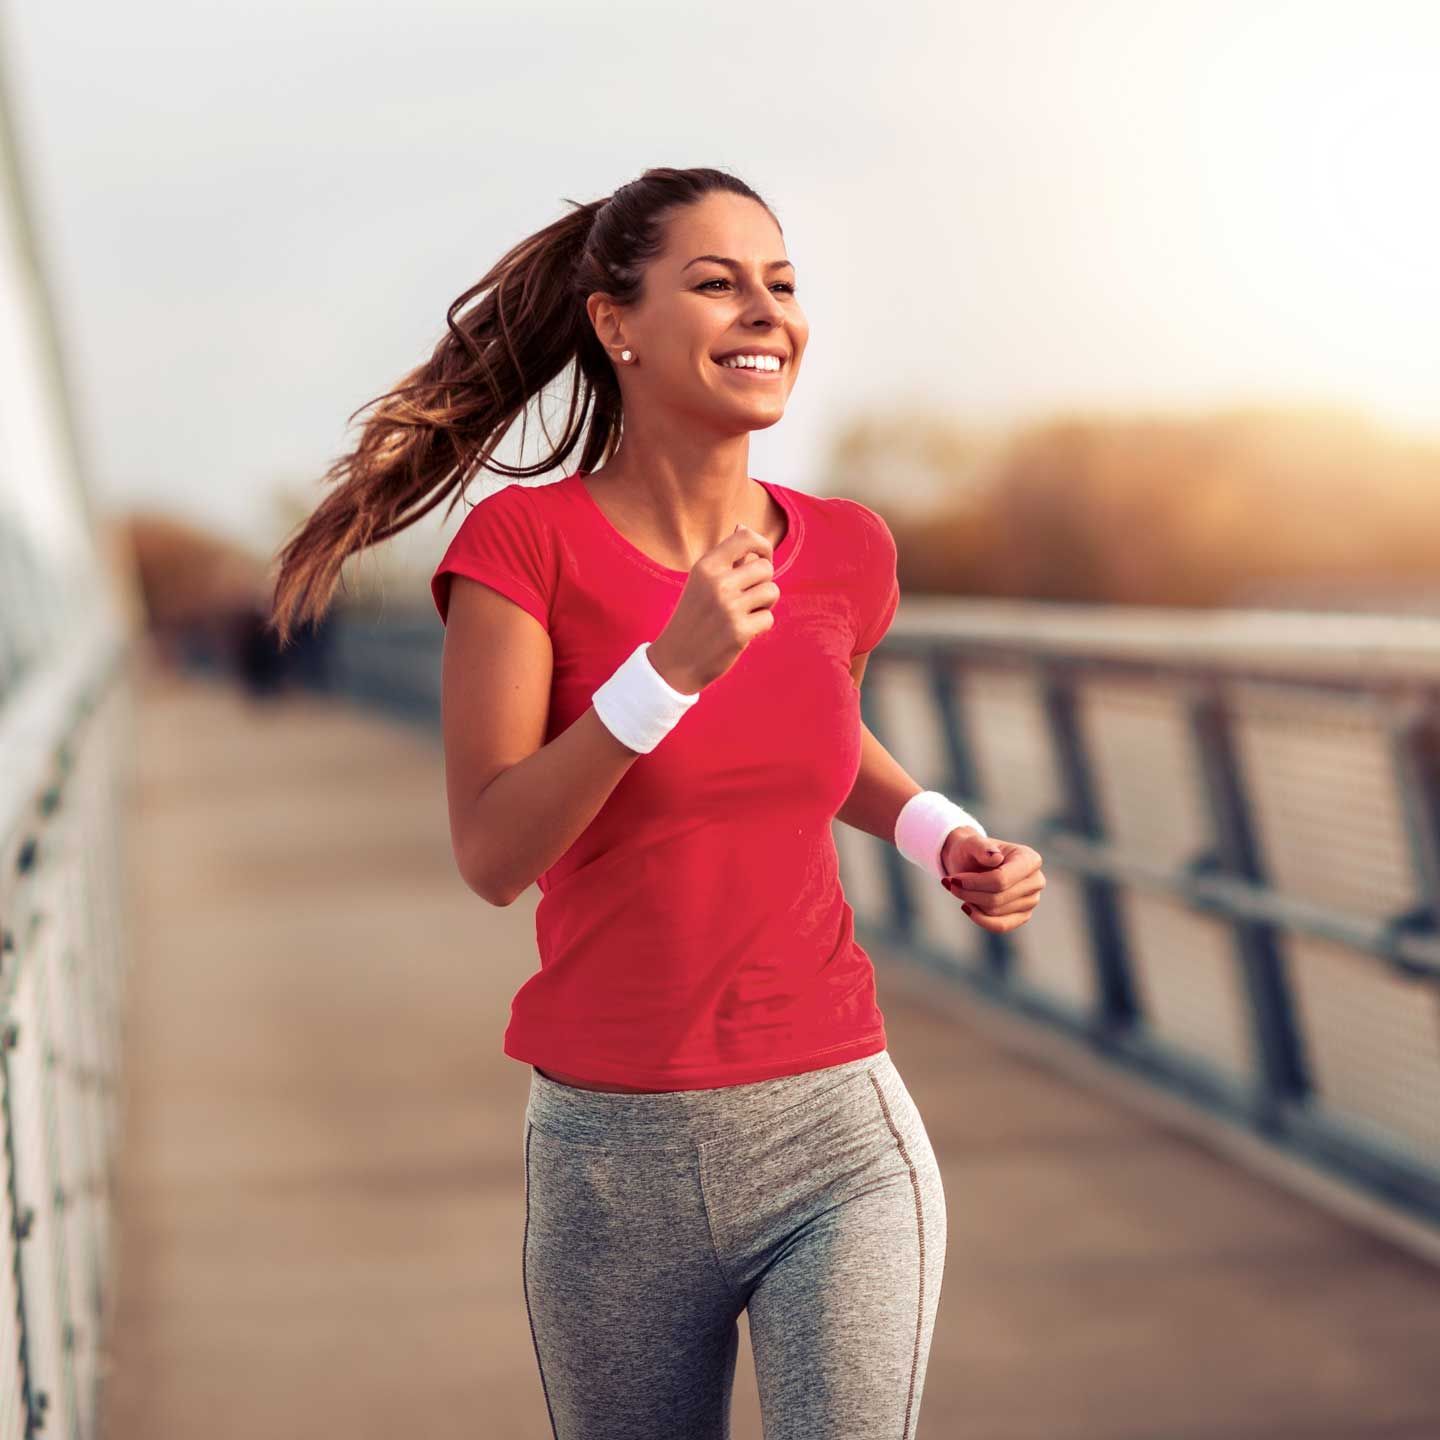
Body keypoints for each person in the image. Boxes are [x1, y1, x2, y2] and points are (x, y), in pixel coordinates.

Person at [267, 165, 1046, 1439]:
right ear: (614, 323)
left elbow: (819, 738)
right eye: (715, 283)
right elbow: (493, 847)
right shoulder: (522, 550)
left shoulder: (848, 547)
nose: (764, 313)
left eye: (781, 286)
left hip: (834, 1129)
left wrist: (941, 831)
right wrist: (663, 673)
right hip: (607, 1162)